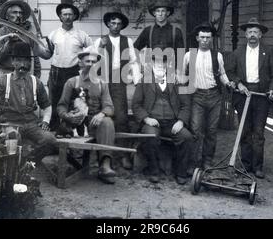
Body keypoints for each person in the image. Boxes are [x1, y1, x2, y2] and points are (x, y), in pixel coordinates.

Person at [0, 42, 76, 165]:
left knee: (50, 140)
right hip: (9, 124)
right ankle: (15, 169)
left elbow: (47, 106)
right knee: (12, 138)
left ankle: (29, 163)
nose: (23, 64)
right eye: (18, 60)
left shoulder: (36, 82)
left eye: (26, 60)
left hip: (31, 125)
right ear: (13, 61)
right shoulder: (2, 81)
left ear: (30, 62)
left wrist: (45, 121)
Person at [227, 17, 273, 179]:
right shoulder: (237, 52)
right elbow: (230, 72)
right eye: (249, 32)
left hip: (261, 95)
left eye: (255, 32)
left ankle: (257, 166)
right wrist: (239, 84)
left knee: (258, 132)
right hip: (243, 94)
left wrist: (272, 89)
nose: (252, 35)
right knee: (245, 130)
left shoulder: (268, 52)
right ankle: (245, 164)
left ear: (260, 35)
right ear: (245, 34)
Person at [57, 46, 117, 184]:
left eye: (94, 62)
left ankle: (105, 165)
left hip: (94, 123)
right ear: (80, 62)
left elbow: (109, 106)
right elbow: (61, 105)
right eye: (87, 61)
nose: (91, 65)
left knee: (107, 122)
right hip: (76, 124)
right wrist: (67, 116)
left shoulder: (102, 83)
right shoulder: (72, 82)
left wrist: (102, 114)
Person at [181, 23, 235, 171]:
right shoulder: (189, 55)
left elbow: (222, 74)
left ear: (211, 39)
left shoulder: (217, 55)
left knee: (211, 131)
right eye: (202, 37)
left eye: (208, 37)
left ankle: (207, 161)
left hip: (214, 96)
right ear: (197, 38)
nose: (205, 40)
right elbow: (183, 75)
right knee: (196, 130)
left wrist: (227, 83)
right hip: (197, 96)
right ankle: (193, 162)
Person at [132, 54, 193, 185]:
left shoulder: (177, 80)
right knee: (150, 136)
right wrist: (146, 119)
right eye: (157, 61)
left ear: (167, 64)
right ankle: (154, 171)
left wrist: (181, 121)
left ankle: (181, 173)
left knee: (186, 137)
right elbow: (136, 104)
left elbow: (186, 105)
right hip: (153, 122)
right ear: (152, 62)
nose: (160, 64)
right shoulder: (144, 81)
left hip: (172, 123)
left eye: (163, 61)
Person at [94, 10, 140, 169]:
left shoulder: (128, 41)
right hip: (103, 81)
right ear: (108, 24)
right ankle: (104, 156)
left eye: (118, 24)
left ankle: (124, 155)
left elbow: (133, 62)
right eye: (112, 23)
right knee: (105, 117)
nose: (115, 26)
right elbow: (94, 61)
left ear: (122, 26)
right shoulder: (100, 41)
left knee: (121, 118)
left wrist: (137, 81)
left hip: (120, 81)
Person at [45, 3, 93, 131]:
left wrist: (85, 69)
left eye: (70, 14)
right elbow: (47, 53)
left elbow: (91, 52)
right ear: (60, 17)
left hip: (73, 71)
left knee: (74, 102)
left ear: (74, 16)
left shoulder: (81, 35)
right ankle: (55, 133)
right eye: (64, 14)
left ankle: (74, 133)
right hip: (56, 72)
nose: (67, 17)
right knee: (54, 102)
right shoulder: (53, 35)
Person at [0, 0, 49, 78]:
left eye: (20, 13)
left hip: (24, 76)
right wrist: (9, 44)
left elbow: (35, 57)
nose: (18, 15)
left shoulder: (27, 34)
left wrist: (36, 78)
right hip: (4, 75)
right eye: (15, 12)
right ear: (7, 16)